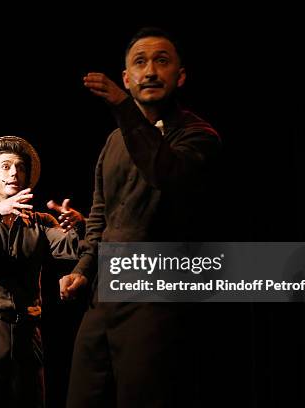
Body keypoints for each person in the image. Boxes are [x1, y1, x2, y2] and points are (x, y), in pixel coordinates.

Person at [59, 27, 223, 407]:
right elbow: (101, 212)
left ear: (180, 75)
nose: (150, 71)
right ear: (127, 78)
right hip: (104, 295)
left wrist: (122, 108)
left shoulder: (199, 135)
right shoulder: (114, 141)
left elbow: (164, 174)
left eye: (161, 61)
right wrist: (83, 269)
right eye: (140, 62)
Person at [0, 136, 84, 408]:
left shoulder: (40, 223)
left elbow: (75, 248)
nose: (15, 173)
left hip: (27, 332)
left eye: (20, 167)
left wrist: (79, 226)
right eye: (6, 167)